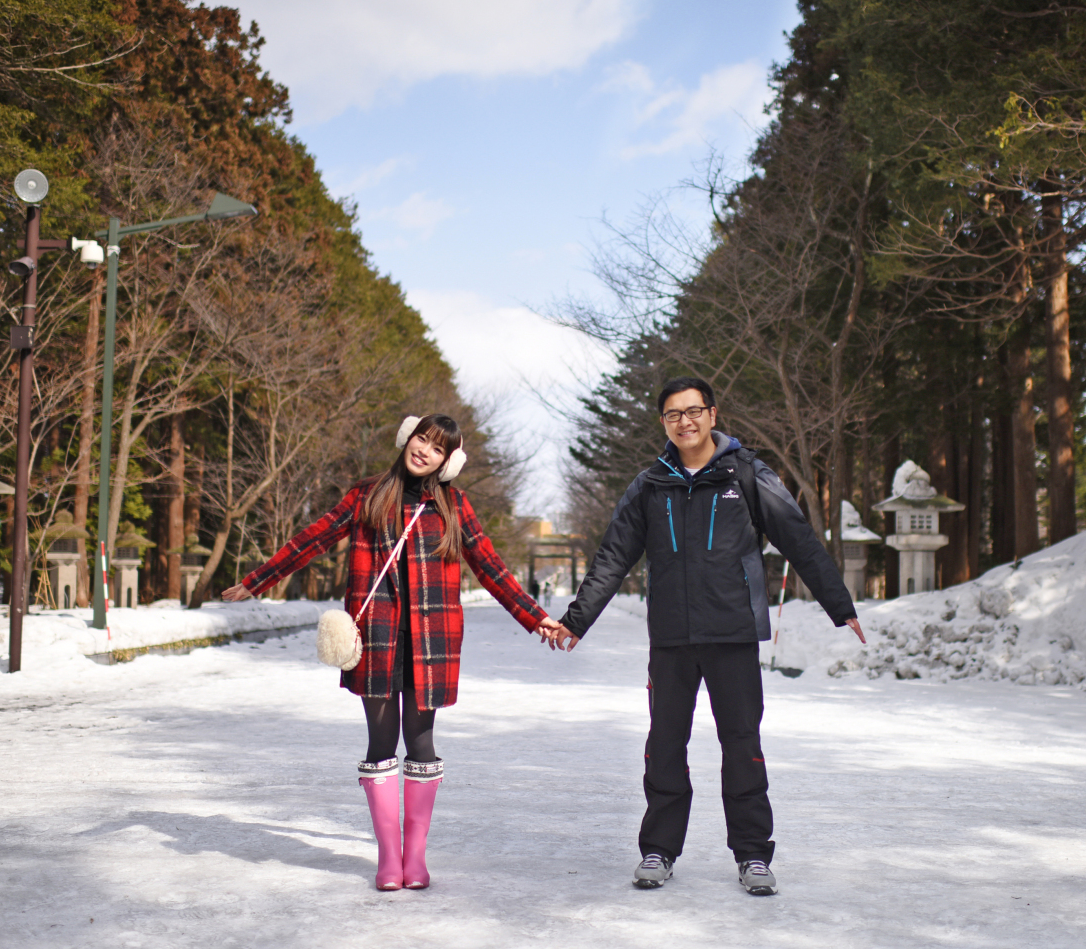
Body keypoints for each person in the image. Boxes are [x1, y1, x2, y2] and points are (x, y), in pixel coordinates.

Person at [545, 377, 865, 896]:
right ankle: (658, 849)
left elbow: (798, 538)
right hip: (671, 638)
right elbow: (613, 556)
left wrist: (839, 603)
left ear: (713, 415)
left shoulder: (748, 475)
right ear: (664, 424)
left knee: (742, 744)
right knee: (665, 744)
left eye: (694, 411)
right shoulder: (651, 484)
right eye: (674, 414)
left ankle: (754, 856)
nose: (685, 421)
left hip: (732, 634)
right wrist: (577, 620)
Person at [225, 413, 564, 892]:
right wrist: (257, 581)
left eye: (438, 448)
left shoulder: (453, 506)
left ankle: (416, 858)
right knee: (381, 744)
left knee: (421, 743)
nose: (425, 450)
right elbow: (313, 537)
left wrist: (536, 617)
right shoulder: (369, 494)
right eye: (422, 439)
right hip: (378, 638)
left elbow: (491, 567)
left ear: (449, 462)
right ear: (407, 438)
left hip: (432, 642)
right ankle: (389, 859)